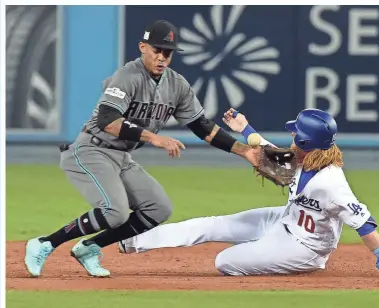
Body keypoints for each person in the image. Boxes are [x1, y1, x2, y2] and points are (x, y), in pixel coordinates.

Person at [24, 21, 259, 278]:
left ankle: (90, 247)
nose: (161, 57)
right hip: (91, 149)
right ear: (142, 47)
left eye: (167, 52)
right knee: (115, 212)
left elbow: (203, 127)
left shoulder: (176, 85)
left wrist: (244, 151)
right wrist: (153, 138)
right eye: (156, 50)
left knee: (158, 208)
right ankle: (45, 243)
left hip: (122, 157)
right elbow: (108, 120)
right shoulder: (128, 76)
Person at [118, 108, 379, 278]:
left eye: (295, 134)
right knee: (210, 224)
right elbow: (265, 148)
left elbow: (363, 221)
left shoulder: (331, 182)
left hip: (305, 249)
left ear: (304, 142)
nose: (291, 135)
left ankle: (281, 257)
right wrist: (245, 126)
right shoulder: (303, 158)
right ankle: (131, 240)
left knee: (225, 261)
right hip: (283, 221)